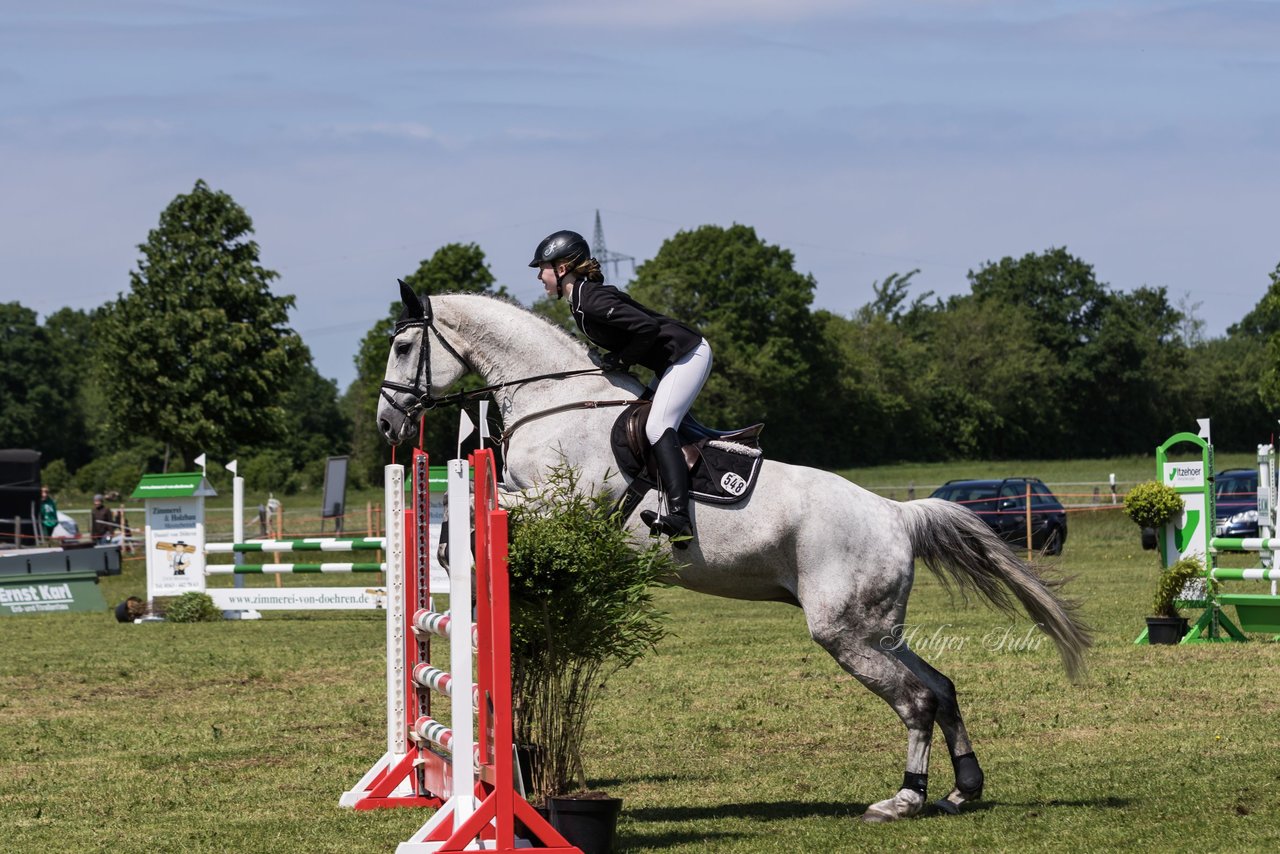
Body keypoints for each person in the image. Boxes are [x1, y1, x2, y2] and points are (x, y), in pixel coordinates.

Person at [531, 229, 712, 545]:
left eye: (541, 269)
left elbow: (647, 328)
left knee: (657, 427)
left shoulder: (591, 300)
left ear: (561, 269)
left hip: (688, 354)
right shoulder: (582, 300)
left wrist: (620, 360)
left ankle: (681, 519)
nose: (539, 277)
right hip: (671, 362)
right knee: (646, 421)